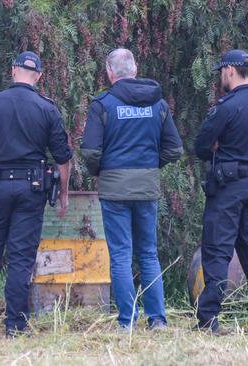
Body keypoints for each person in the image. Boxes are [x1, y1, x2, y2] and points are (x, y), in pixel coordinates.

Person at [0, 51, 72, 338]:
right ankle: (15, 327)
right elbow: (63, 158)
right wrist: (64, 194)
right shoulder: (47, 109)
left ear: (12, 70)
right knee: (21, 259)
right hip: (31, 191)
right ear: (39, 76)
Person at [81, 48, 183, 330]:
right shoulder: (158, 104)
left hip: (114, 190)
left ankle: (126, 322)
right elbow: (174, 149)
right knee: (149, 253)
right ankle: (158, 319)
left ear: (110, 73)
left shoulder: (102, 105)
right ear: (135, 69)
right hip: (147, 188)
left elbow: (90, 151)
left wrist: (100, 172)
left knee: (121, 255)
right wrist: (151, 166)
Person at [193, 49, 248, 335]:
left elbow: (201, 147)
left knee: (217, 250)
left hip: (228, 189)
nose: (220, 77)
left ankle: (208, 320)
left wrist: (218, 148)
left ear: (230, 70)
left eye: (221, 71)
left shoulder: (226, 107)